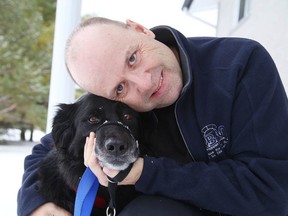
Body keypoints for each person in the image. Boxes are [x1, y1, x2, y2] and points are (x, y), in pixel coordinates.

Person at [17, 17, 288, 216]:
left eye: (133, 58)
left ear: (140, 29)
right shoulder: (118, 104)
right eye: (120, 88)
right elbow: (47, 147)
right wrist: (36, 204)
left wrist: (148, 173)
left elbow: (273, 190)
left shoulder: (241, 64)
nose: (144, 83)